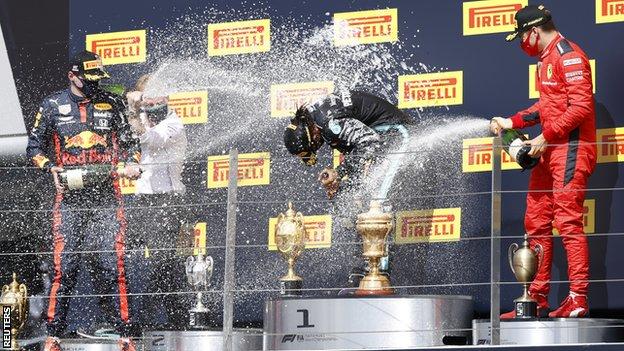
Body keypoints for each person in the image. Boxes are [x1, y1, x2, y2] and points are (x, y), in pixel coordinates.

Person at [26, 50, 141, 351]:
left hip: (106, 196)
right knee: (66, 266)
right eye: (87, 78)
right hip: (69, 198)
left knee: (111, 263)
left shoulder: (112, 103)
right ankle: (53, 336)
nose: (93, 84)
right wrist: (49, 167)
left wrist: (133, 163)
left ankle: (124, 335)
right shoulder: (52, 105)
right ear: (72, 76)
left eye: (96, 78)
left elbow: (131, 143)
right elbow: (33, 147)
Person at [491, 5, 596, 318]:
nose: (522, 43)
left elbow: (581, 108)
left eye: (522, 36)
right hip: (550, 149)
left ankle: (578, 298)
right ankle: (535, 298)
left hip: (571, 148)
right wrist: (512, 121)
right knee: (535, 221)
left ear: (533, 31)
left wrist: (544, 137)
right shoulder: (545, 59)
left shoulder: (569, 55)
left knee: (567, 222)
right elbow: (546, 107)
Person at [125, 77, 189, 329]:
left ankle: (144, 322)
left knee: (162, 264)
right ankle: (173, 321)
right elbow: (130, 138)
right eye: (146, 98)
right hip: (141, 201)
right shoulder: (141, 117)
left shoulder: (175, 123)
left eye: (156, 97)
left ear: (166, 99)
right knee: (120, 256)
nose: (151, 102)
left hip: (166, 201)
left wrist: (133, 109)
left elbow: (148, 139)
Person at [283, 89, 411, 198]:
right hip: (387, 133)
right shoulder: (316, 115)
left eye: (313, 147)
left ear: (311, 136)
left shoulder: (329, 125)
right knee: (357, 191)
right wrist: (341, 180)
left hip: (396, 133)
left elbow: (369, 141)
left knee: (378, 201)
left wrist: (339, 173)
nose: (317, 148)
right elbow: (358, 152)